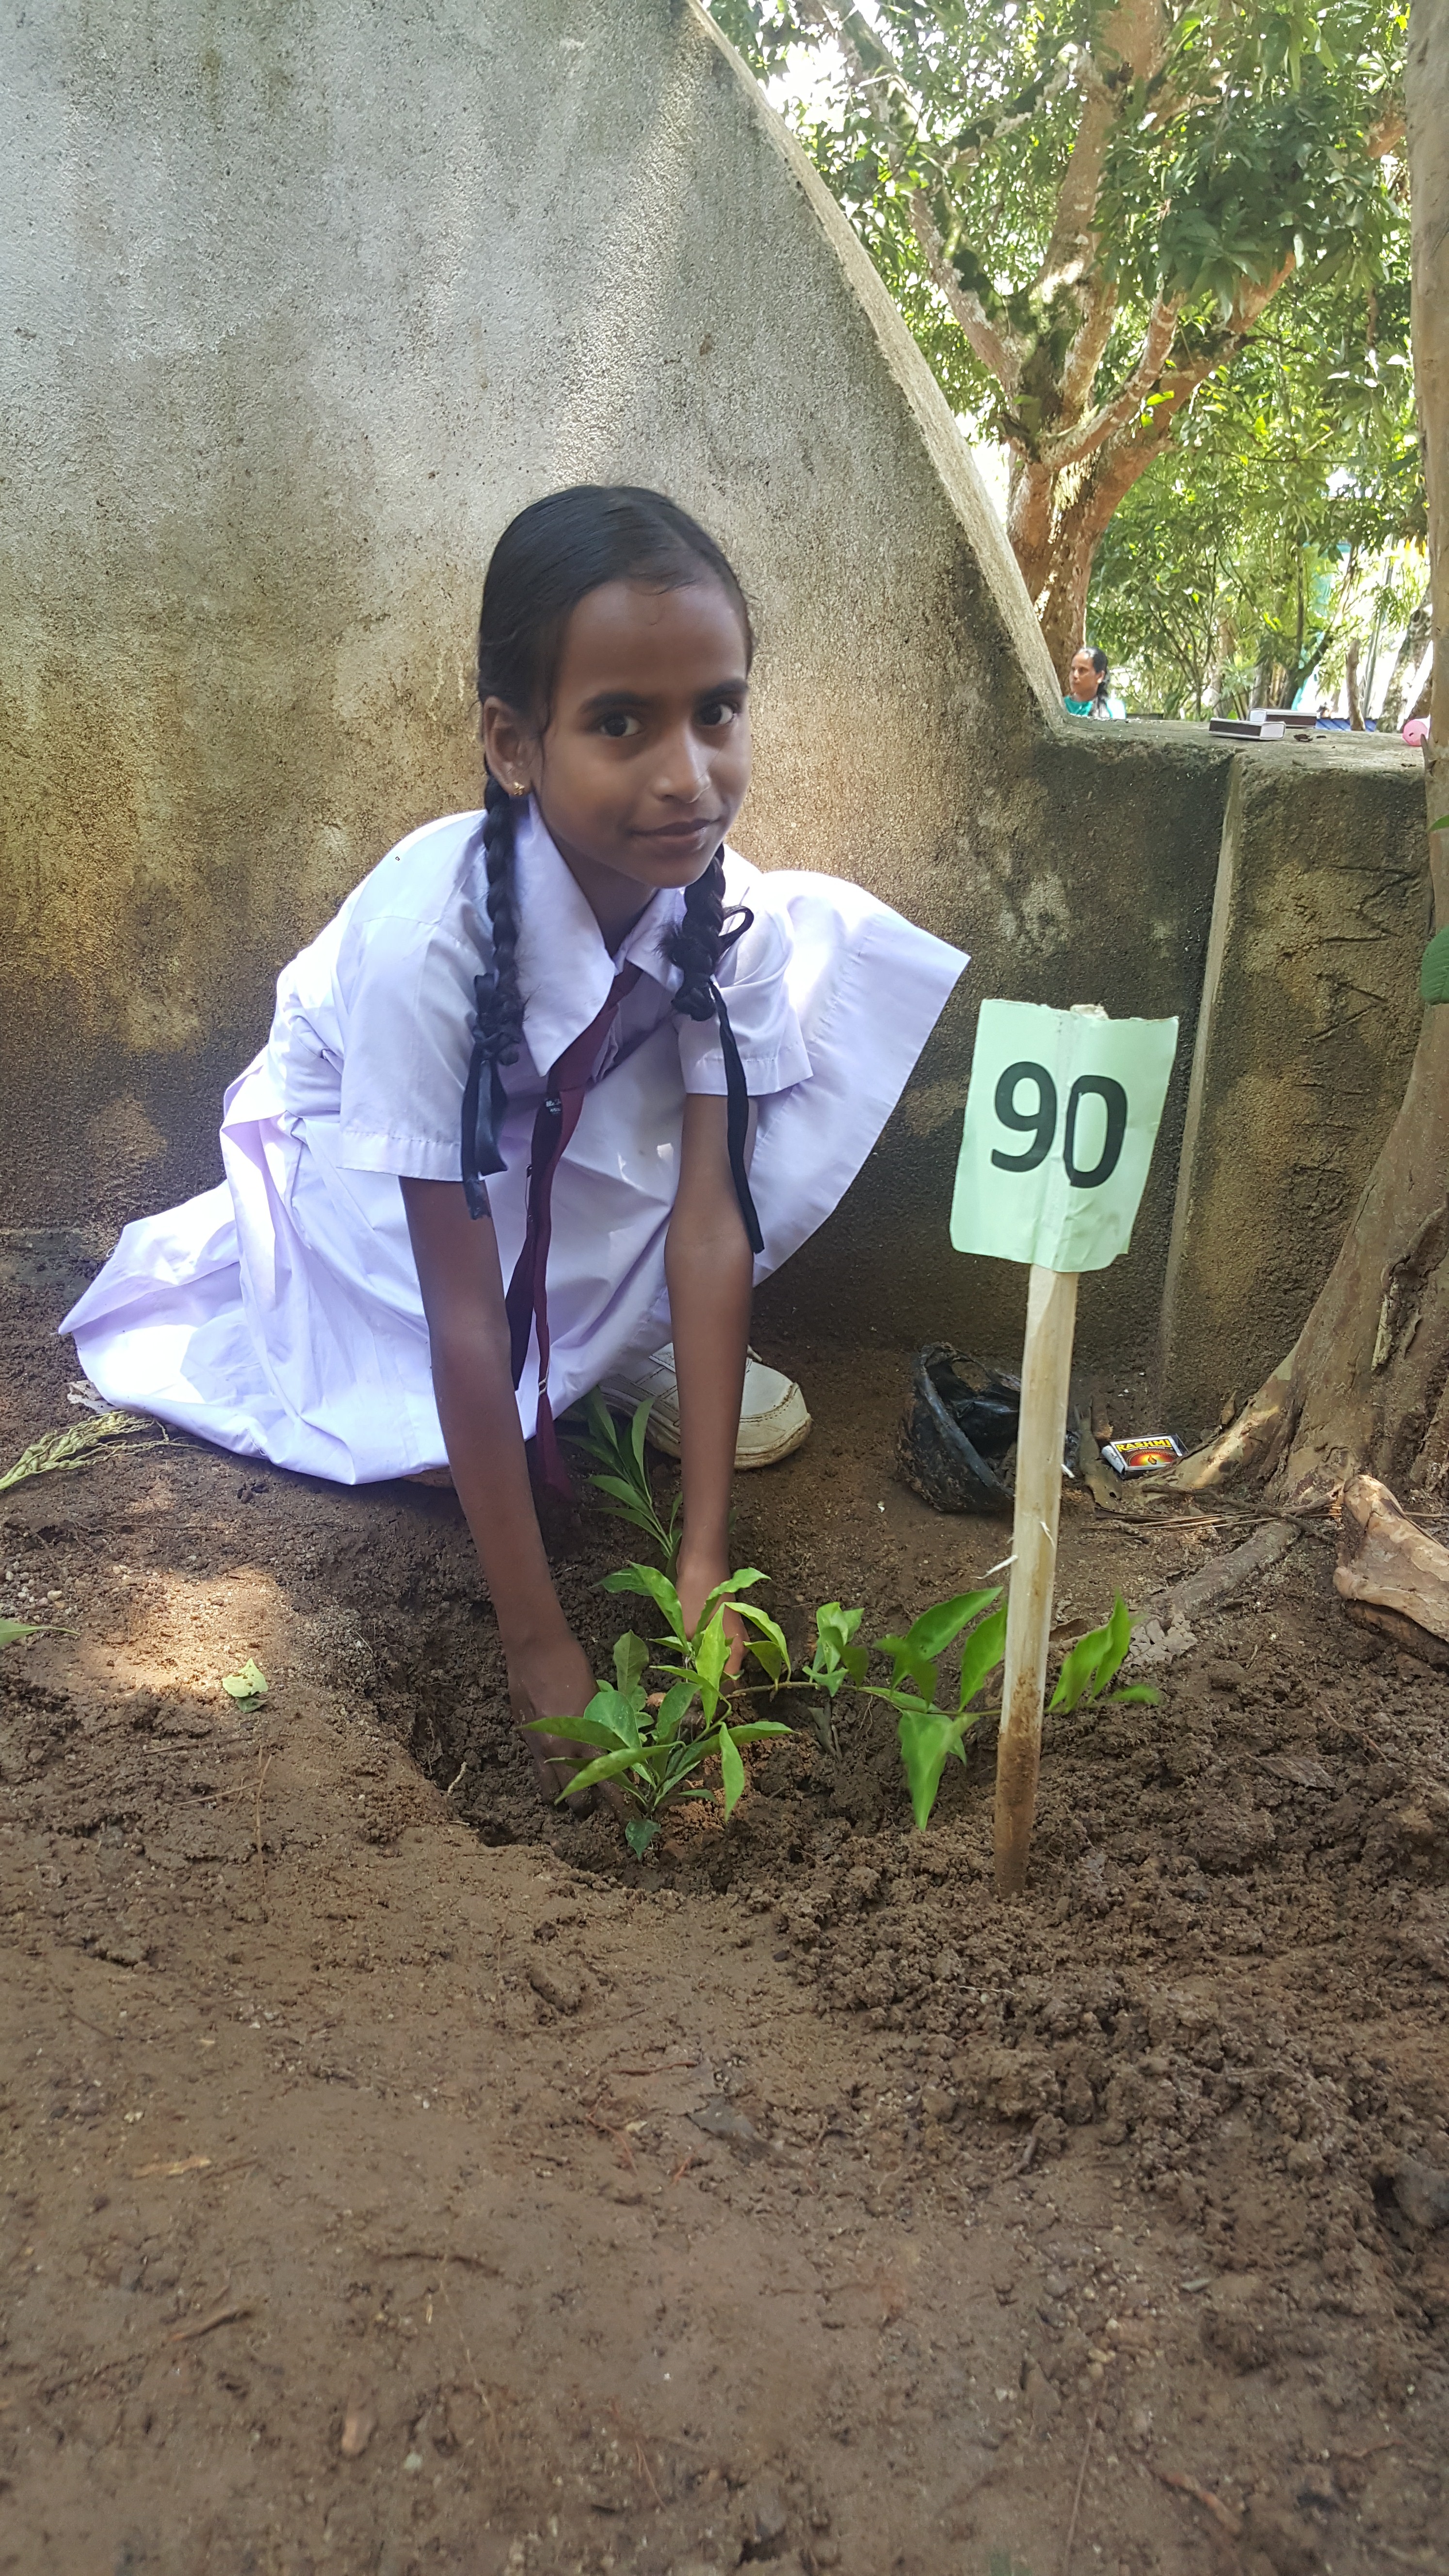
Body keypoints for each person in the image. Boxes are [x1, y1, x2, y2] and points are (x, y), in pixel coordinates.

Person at [63, 486, 966, 1792]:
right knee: (428, 1449)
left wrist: (705, 1557)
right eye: (620, 723)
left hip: (560, 1153)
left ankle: (610, 1357)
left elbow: (711, 1217)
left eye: (717, 711)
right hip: (377, 1185)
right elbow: (462, 1313)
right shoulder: (428, 944)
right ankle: (563, 1361)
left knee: (712, 1130)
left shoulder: (724, 915)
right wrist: (538, 1645)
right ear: (511, 742)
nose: (687, 774)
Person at [1063, 646, 1124, 719]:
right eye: (1073, 670)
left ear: (1100, 676)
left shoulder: (1114, 708)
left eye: (1082, 670)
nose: (1075, 675)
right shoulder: (1060, 706)